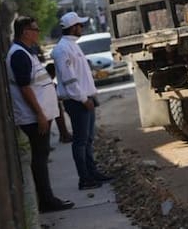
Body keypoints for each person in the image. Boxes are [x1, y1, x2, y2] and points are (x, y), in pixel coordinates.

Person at [7, 16, 74, 213]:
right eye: (35, 29)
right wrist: (40, 114)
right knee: (39, 159)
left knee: (41, 157)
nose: (38, 32)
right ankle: (46, 201)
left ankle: (47, 198)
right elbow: (25, 88)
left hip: (38, 115)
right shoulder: (19, 54)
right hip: (33, 118)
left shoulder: (26, 51)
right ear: (25, 32)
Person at [52, 11, 113, 190]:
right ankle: (84, 178)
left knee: (87, 139)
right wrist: (82, 98)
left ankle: (92, 173)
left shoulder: (72, 45)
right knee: (80, 141)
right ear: (72, 27)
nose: (82, 28)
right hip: (78, 100)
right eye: (80, 25)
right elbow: (69, 78)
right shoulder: (62, 49)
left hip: (86, 98)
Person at [45, 62, 73, 144]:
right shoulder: (47, 79)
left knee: (58, 110)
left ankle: (64, 134)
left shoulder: (48, 79)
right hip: (46, 105)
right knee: (50, 119)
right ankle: (63, 135)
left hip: (48, 103)